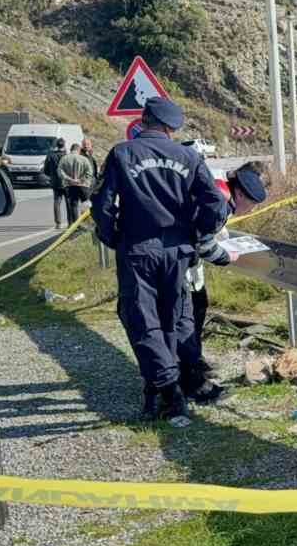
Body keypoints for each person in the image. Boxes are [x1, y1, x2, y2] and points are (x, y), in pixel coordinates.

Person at [91, 97, 226, 426]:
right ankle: (159, 390)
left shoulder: (122, 154)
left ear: (143, 120)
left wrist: (111, 237)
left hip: (138, 249)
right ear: (172, 127)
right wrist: (200, 233)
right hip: (178, 253)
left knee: (142, 319)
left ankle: (169, 393)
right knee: (172, 319)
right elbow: (215, 203)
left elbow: (102, 203)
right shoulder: (189, 156)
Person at [178, 162, 269, 402]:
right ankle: (192, 384)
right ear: (239, 193)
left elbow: (211, 231)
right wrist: (225, 256)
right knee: (184, 323)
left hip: (186, 265)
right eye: (250, 204)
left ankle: (194, 363)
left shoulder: (218, 190)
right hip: (179, 265)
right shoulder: (218, 199)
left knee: (199, 306)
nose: (250, 211)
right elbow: (203, 241)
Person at [58, 143, 94, 226]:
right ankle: (87, 223)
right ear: (78, 150)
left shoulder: (64, 159)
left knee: (73, 205)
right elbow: (89, 172)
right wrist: (81, 180)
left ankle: (76, 225)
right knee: (86, 204)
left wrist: (69, 179)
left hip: (69, 185)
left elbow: (60, 172)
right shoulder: (84, 159)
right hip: (83, 185)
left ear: (71, 149)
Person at [41, 139, 67, 230]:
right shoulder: (67, 155)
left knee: (57, 202)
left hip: (55, 182)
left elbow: (46, 170)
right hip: (67, 182)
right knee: (69, 202)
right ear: (64, 145)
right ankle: (71, 222)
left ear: (56, 145)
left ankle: (58, 223)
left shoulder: (50, 156)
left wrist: (52, 176)